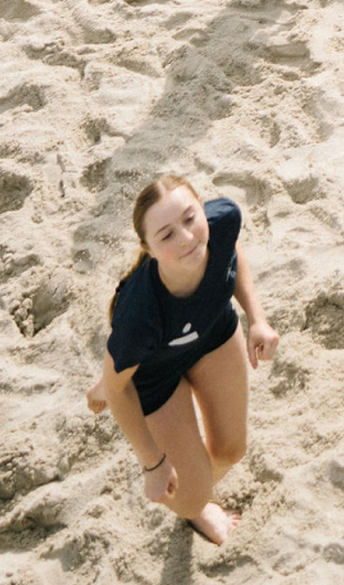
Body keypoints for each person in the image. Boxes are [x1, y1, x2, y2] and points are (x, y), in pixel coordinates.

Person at [85, 175, 276, 547]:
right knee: (190, 497)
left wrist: (257, 318)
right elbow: (121, 393)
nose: (187, 238)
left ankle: (116, 368)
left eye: (190, 219)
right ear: (148, 248)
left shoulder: (221, 221)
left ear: (202, 209)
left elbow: (231, 254)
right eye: (167, 235)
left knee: (231, 451)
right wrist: (153, 464)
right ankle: (112, 372)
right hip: (155, 374)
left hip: (212, 335)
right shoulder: (141, 313)